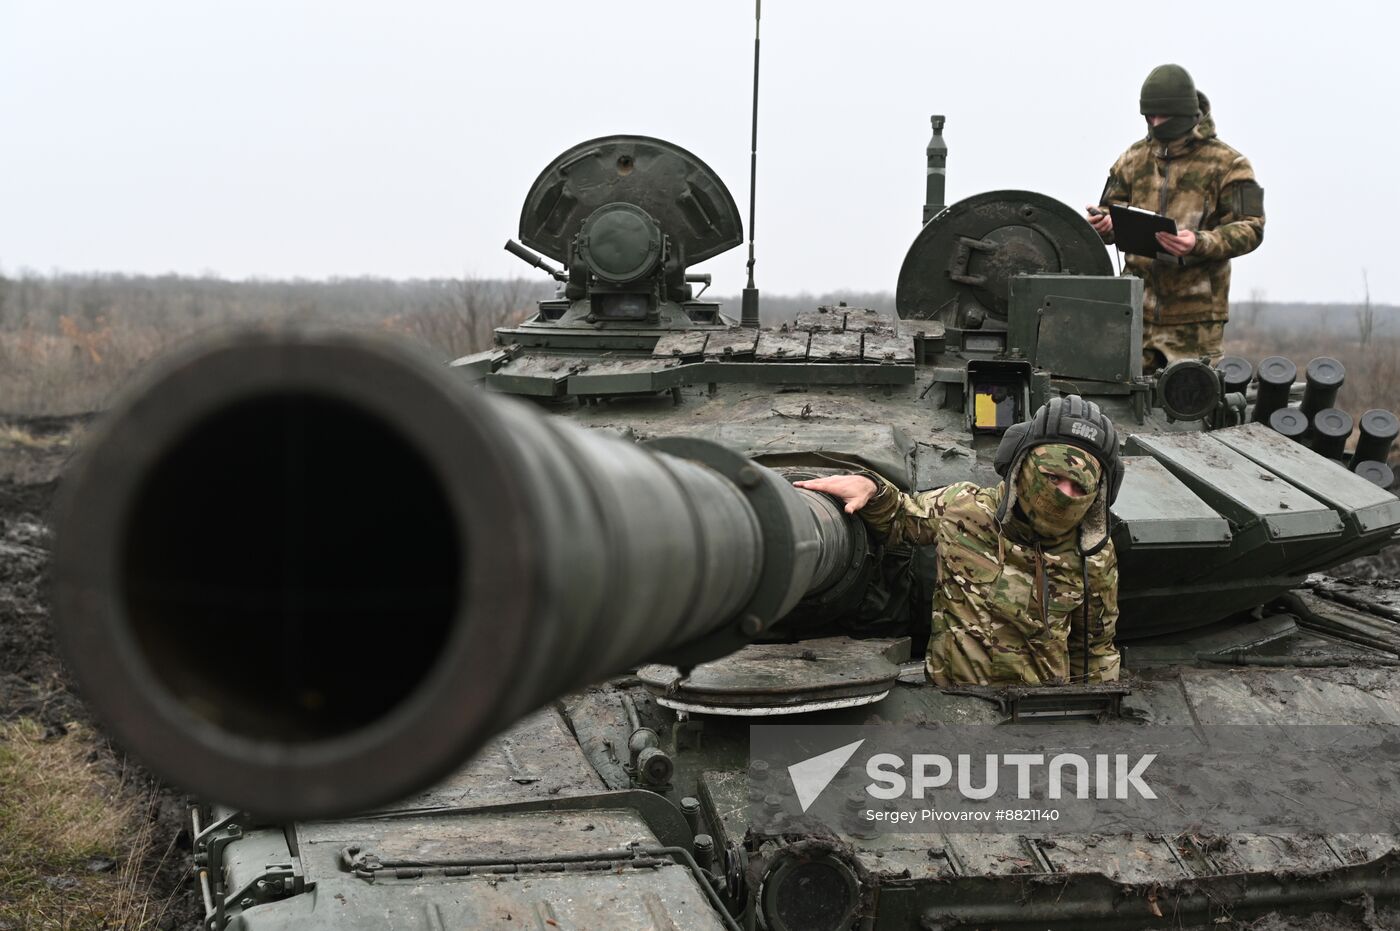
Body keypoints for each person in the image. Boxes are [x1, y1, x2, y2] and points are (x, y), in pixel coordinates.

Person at [795, 396, 1123, 687]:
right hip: (955, 701)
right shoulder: (965, 508)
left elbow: (1094, 648)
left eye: (1079, 488)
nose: (1063, 495)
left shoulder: (1092, 554)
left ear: (1097, 496)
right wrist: (872, 489)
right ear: (1022, 465)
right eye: (1053, 478)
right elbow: (903, 517)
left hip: (1037, 711)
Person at [1086, 63, 1264, 372]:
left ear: (1184, 115)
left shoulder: (1229, 164)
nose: (1154, 123)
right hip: (1134, 312)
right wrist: (1104, 224)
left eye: (1162, 116)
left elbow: (1251, 227)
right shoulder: (1132, 160)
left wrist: (1200, 241)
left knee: (1189, 407)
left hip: (1194, 319)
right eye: (1149, 116)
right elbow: (1110, 208)